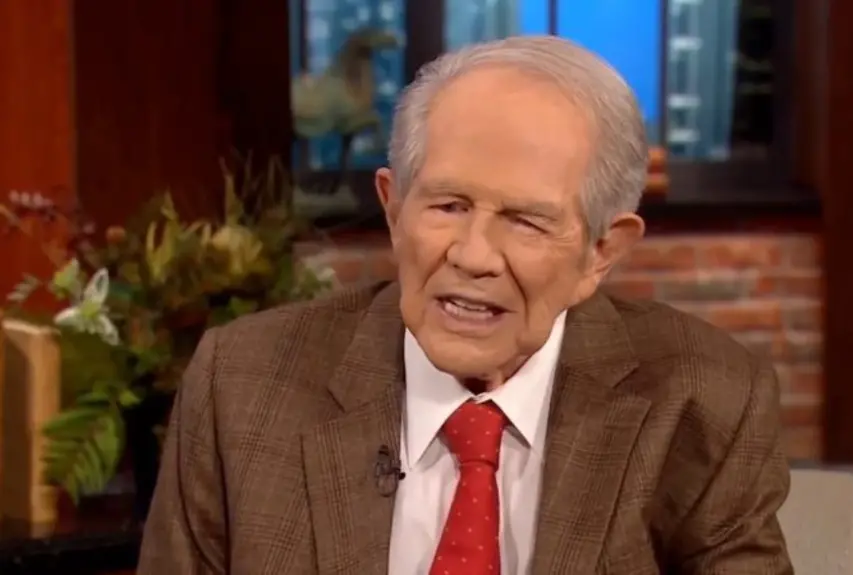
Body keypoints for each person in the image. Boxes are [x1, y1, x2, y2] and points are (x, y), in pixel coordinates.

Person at [139, 35, 794, 574]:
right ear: (394, 209)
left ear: (600, 251)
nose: (473, 255)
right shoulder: (242, 384)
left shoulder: (703, 401)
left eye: (526, 221)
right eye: (448, 206)